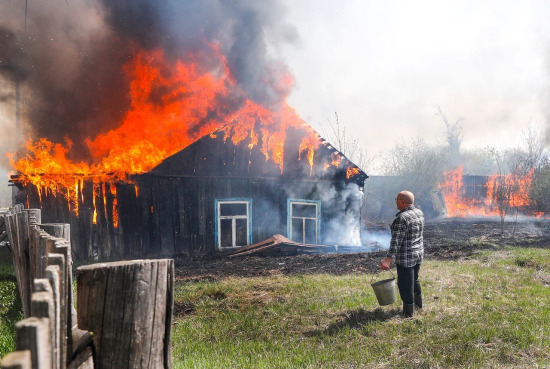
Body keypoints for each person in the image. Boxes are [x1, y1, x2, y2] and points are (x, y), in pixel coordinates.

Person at [380, 190, 424, 317]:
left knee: (405, 285)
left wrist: (388, 259)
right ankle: (419, 307)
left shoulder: (402, 218)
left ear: (403, 202)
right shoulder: (419, 213)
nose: (396, 201)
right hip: (418, 254)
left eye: (397, 199)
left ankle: (408, 314)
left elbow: (396, 242)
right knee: (414, 280)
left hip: (406, 258)